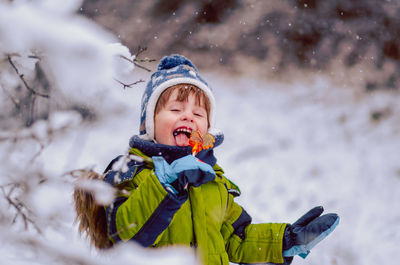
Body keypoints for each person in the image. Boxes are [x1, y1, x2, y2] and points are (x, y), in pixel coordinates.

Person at [75, 54, 339, 265]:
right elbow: (124, 238)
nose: (188, 117)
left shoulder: (213, 182)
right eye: (176, 109)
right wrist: (166, 184)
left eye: (198, 114)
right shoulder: (128, 173)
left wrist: (284, 241)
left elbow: (237, 238)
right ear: (148, 124)